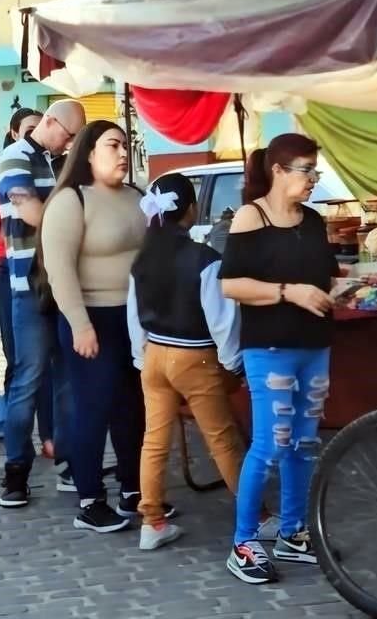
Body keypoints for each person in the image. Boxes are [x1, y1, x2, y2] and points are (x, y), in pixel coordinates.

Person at [220, 133, 338, 584]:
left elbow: (323, 276)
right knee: (270, 444)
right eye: (306, 171)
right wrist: (288, 292)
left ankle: (293, 532)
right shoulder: (252, 218)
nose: (312, 180)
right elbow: (231, 285)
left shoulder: (313, 221)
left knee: (304, 445)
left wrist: (340, 289)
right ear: (278, 171)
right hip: (269, 349)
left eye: (315, 172)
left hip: (314, 346)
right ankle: (244, 541)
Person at [127, 173, 244, 550]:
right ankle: (255, 515)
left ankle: (152, 522)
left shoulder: (141, 259)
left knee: (154, 440)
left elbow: (133, 314)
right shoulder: (205, 259)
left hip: (154, 356)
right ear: (191, 210)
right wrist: (233, 364)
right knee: (222, 439)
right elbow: (222, 320)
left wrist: (139, 355)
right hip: (195, 356)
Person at [40, 120, 147, 533]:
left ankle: (133, 490)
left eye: (125, 145)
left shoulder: (137, 196)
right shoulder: (70, 201)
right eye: (113, 145)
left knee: (130, 409)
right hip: (90, 318)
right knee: (93, 409)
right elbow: (59, 269)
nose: (122, 153)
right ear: (88, 152)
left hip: (133, 319)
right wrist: (80, 325)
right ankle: (89, 499)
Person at [0, 99, 86, 507]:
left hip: (64, 283)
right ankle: (16, 471)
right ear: (48, 122)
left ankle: (68, 461)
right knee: (28, 381)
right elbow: (29, 211)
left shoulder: (58, 159)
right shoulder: (14, 157)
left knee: (67, 380)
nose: (68, 143)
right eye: (66, 135)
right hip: (28, 287)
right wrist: (74, 217)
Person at [0, 108, 53, 453]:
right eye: (30, 129)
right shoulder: (8, 167)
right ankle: (18, 459)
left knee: (54, 372)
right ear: (14, 133)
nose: (37, 135)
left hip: (52, 277)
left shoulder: (52, 164)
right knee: (25, 365)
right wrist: (1, 255)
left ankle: (52, 440)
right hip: (17, 275)